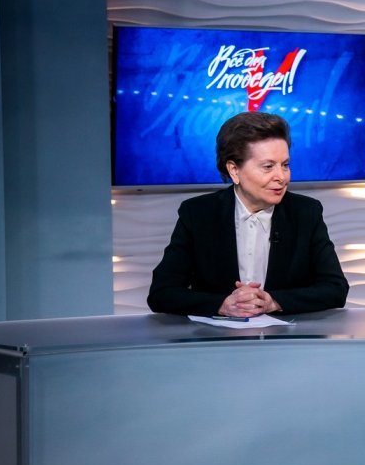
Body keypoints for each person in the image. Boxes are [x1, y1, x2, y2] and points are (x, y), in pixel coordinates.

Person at [147, 111, 349, 317]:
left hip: (289, 335)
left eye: (285, 165)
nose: (281, 177)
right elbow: (162, 293)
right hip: (215, 336)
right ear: (234, 171)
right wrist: (222, 305)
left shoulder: (306, 212)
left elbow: (336, 288)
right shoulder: (198, 214)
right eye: (268, 167)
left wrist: (273, 302)